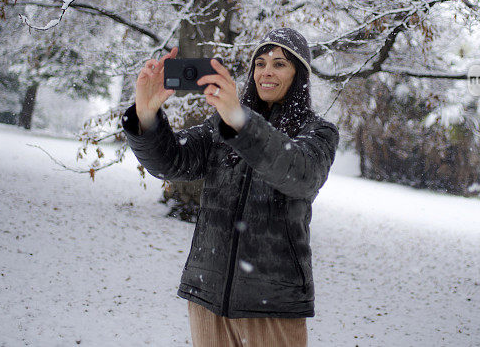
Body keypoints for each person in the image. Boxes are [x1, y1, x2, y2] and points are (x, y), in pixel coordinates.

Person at [121, 28, 339, 347]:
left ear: (299, 75)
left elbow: (300, 175)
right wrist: (146, 114)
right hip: (207, 293)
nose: (266, 71)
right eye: (260, 63)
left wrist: (241, 121)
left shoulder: (318, 133)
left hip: (272, 302)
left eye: (280, 64)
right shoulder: (219, 125)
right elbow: (172, 162)